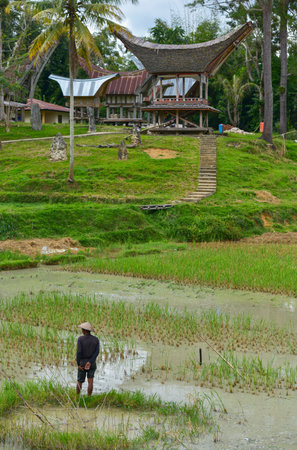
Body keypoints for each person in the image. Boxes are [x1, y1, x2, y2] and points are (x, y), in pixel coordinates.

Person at [76, 322, 99, 396]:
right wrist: (90, 362)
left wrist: (78, 364)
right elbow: (97, 352)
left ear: (84, 330)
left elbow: (79, 352)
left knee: (80, 381)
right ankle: (89, 397)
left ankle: (77, 397)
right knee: (90, 381)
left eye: (82, 329)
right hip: (92, 363)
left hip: (82, 362)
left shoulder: (80, 339)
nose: (82, 331)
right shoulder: (96, 339)